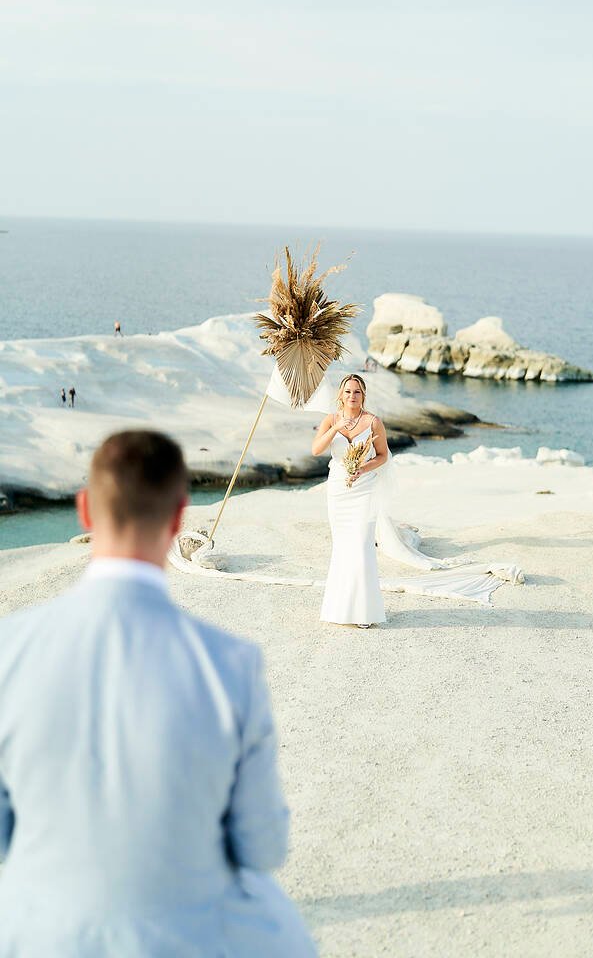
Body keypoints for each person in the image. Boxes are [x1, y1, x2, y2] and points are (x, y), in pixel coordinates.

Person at [0, 430, 316, 957]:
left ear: (84, 511)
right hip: (186, 938)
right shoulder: (231, 664)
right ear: (177, 519)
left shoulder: (8, 647)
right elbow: (262, 848)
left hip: (39, 936)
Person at [312, 373, 388, 628]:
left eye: (356, 392)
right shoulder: (330, 419)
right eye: (347, 391)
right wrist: (335, 427)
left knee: (362, 546)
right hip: (338, 491)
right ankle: (341, 610)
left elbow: (382, 456)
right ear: (340, 395)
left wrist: (363, 469)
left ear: (363, 395)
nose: (352, 396)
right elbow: (316, 449)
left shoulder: (373, 422)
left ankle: (364, 613)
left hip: (364, 490)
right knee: (343, 547)